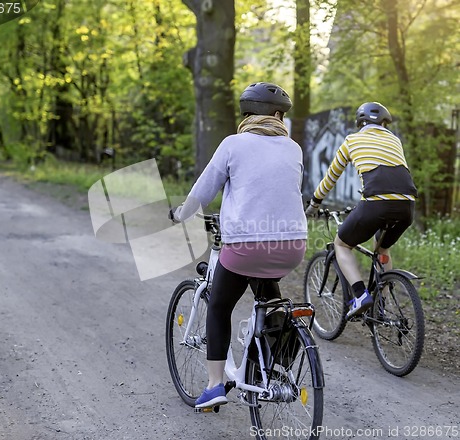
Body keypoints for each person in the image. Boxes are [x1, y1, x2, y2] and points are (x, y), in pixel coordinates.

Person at [169, 82, 307, 409]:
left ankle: (215, 385)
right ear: (276, 115)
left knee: (218, 306)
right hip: (292, 245)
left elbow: (203, 192)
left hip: (246, 245)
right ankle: (271, 368)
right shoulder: (294, 148)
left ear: (246, 115)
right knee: (269, 298)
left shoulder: (233, 144)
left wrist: (179, 215)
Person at [305, 102, 417, 319]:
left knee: (342, 244)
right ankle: (382, 305)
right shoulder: (394, 140)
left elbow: (331, 176)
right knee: (382, 249)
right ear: (385, 123)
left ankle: (359, 296)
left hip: (375, 203)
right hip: (407, 205)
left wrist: (315, 203)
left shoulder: (352, 140)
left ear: (360, 123)